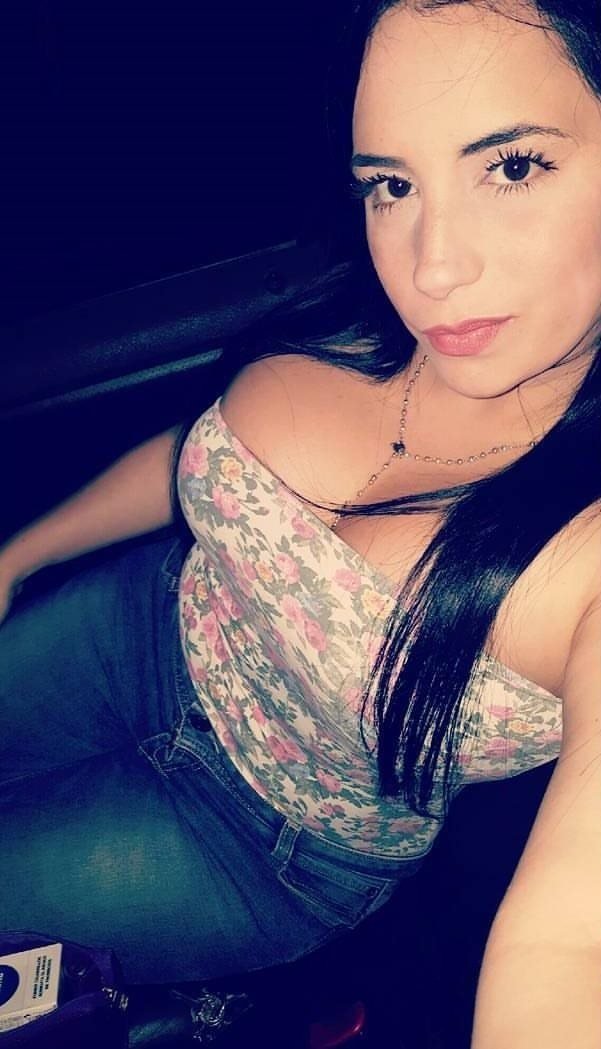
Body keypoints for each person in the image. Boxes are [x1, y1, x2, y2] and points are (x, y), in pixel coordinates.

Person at [1, 1, 600, 1046]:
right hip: (137, 626)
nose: (430, 265)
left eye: (511, 166)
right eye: (391, 184)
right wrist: (19, 554)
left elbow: (565, 949)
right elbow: (208, 453)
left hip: (254, 843)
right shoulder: (365, 317)